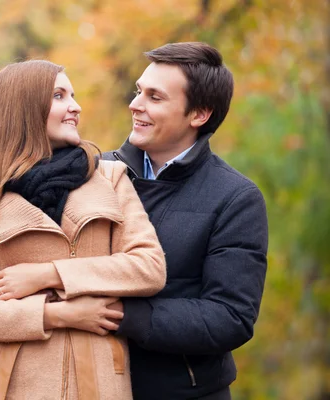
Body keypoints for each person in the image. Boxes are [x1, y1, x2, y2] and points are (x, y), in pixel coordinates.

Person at [0, 60, 166, 399]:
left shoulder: (110, 178)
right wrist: (56, 314)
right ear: (23, 109)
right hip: (9, 388)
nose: (75, 106)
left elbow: (149, 268)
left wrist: (48, 275)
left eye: (72, 95)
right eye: (59, 96)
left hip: (98, 385)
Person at [101, 42, 269, 399]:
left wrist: (118, 313)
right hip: (91, 384)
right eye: (138, 91)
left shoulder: (236, 198)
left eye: (155, 97)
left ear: (199, 114)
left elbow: (230, 317)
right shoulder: (94, 173)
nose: (135, 104)